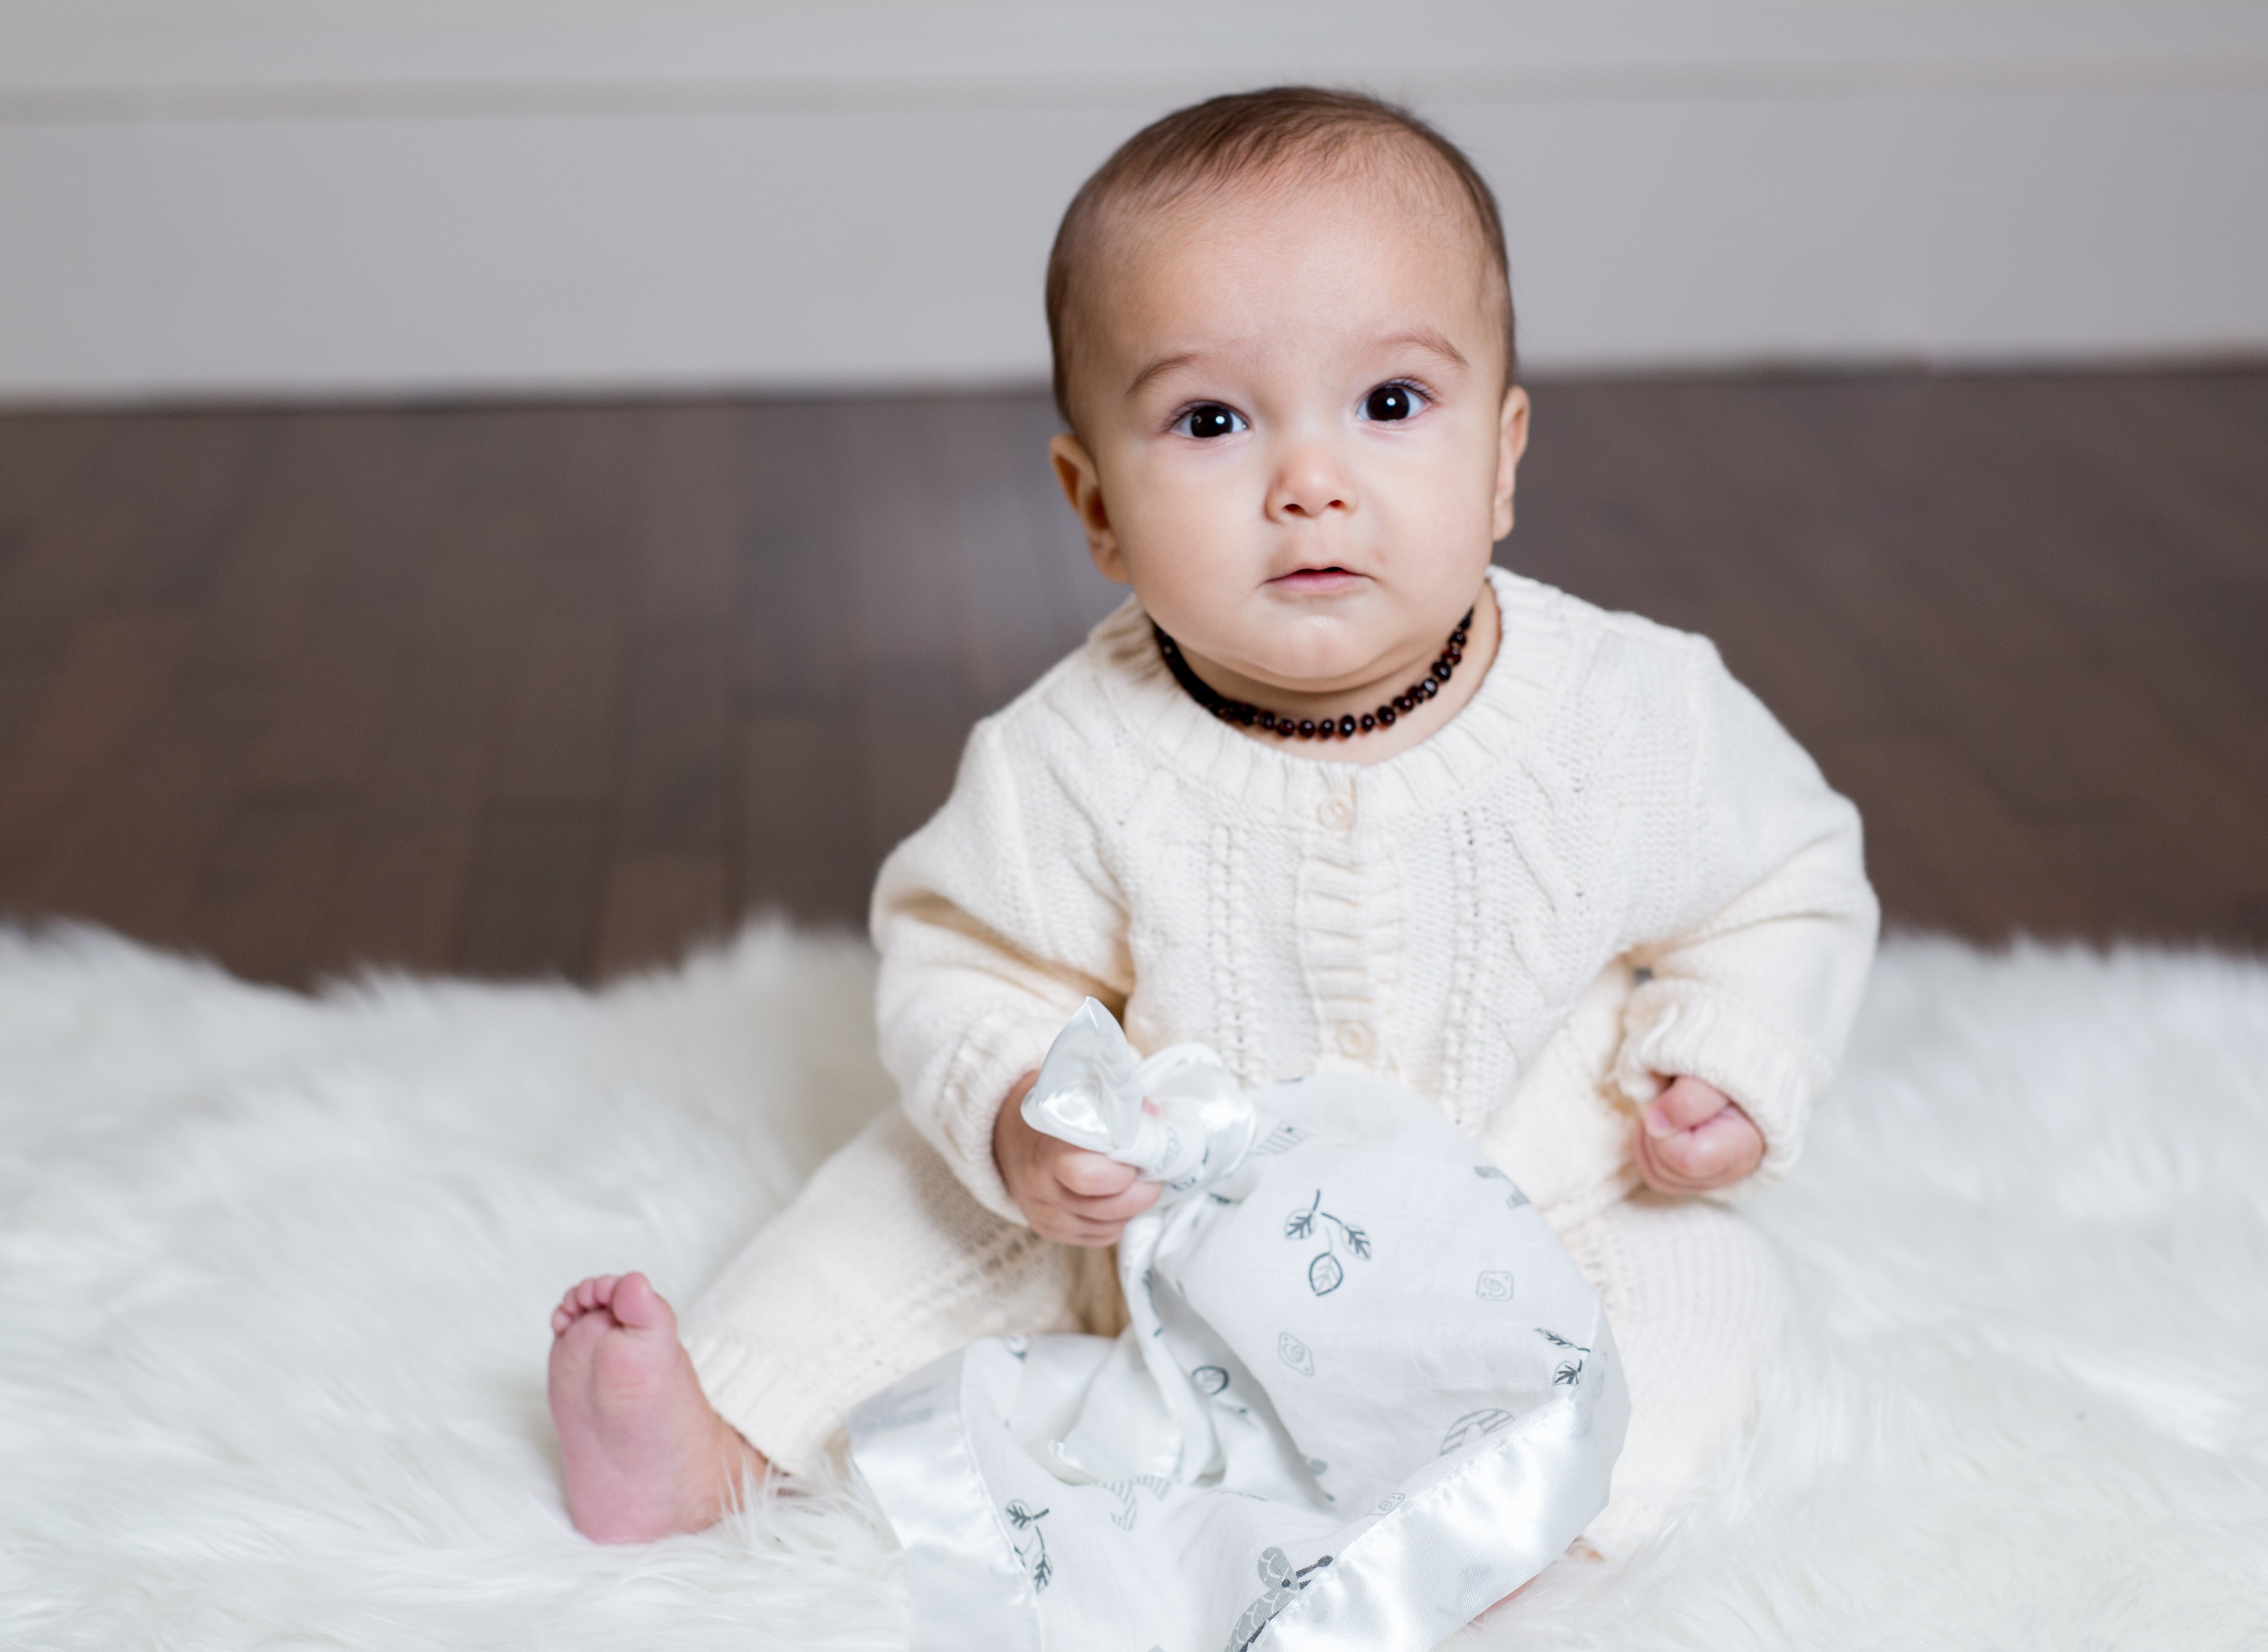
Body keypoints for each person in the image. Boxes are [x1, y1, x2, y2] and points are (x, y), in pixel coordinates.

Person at [547, 86, 1879, 1549]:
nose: (1310, 485)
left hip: (1525, 1199)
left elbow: (1787, 879)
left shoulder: (1627, 710)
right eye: (1211, 420)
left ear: (1503, 460)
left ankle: (1533, 1521)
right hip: (1163, 1229)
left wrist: (1731, 1055)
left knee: (1707, 1294)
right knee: (902, 1207)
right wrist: (1022, 1116)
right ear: (1095, 505)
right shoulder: (1070, 756)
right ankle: (717, 1430)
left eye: (1389, 405)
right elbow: (965, 961)